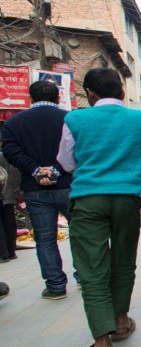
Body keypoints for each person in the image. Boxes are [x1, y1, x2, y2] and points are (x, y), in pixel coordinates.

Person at [57, 68, 141, 347]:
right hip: (127, 200)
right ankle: (120, 321)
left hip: (88, 200)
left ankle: (102, 341)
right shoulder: (139, 118)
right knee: (123, 261)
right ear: (121, 91)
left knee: (92, 269)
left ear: (90, 94)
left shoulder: (75, 119)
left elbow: (66, 163)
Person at [1, 80, 75, 299]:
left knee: (45, 239)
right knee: (81, 234)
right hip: (69, 185)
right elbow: (77, 148)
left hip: (35, 190)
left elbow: (11, 151)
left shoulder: (13, 123)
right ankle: (85, 279)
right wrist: (56, 170)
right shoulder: (69, 119)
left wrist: (36, 171)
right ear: (58, 97)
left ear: (30, 98)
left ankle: (55, 287)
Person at [0, 151, 18, 262]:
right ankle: (11, 251)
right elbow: (15, 174)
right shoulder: (6, 154)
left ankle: (2, 253)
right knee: (10, 222)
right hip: (9, 195)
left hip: (3, 192)